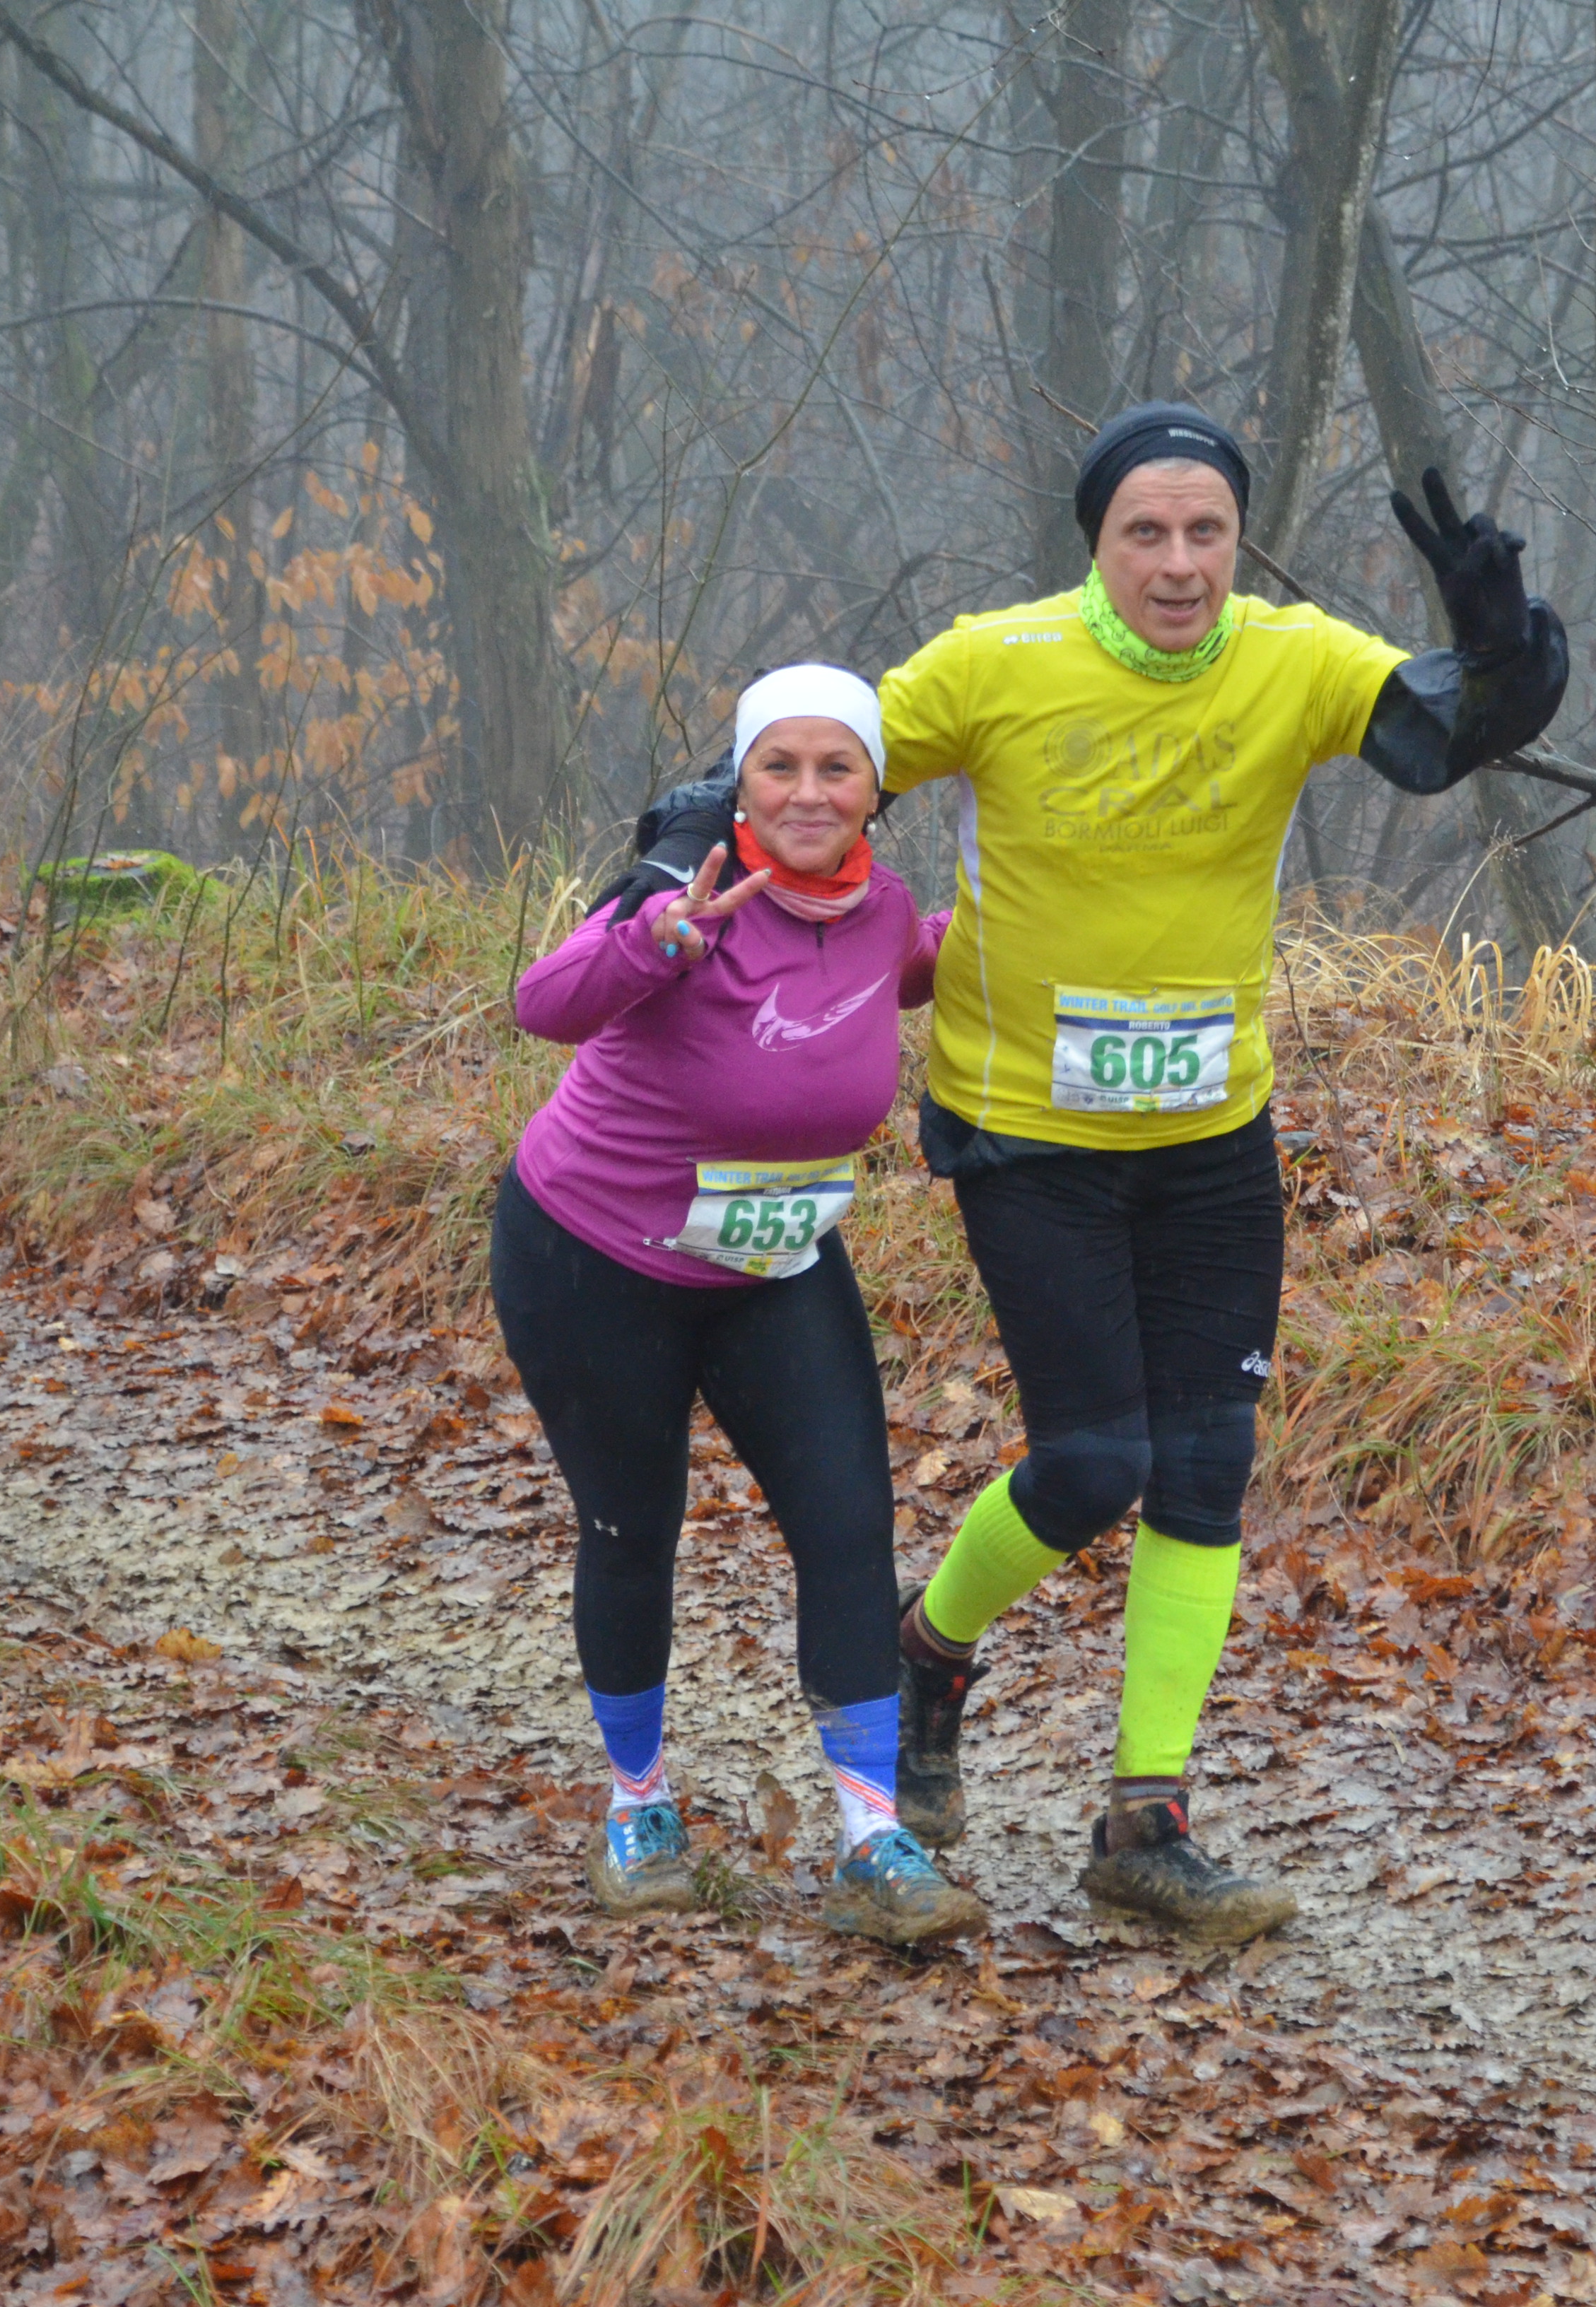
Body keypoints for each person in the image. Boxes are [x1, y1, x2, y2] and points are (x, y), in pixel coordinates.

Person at [864, 405, 1573, 1940]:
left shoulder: (1289, 658)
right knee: (1091, 1464)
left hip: (1210, 1138)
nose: (1179, 564)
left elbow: (1441, 736)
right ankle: (927, 1649)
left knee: (1205, 1464)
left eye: (1207, 533)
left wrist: (1505, 647)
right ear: (1098, 544)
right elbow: (816, 773)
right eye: (1147, 532)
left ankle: (1148, 1821)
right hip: (1025, 1132)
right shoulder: (993, 664)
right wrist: (686, 858)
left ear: (1240, 543)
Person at [494, 664, 983, 1947]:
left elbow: (917, 968)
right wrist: (653, 939)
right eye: (781, 767)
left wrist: (1036, 915)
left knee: (848, 1528)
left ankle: (871, 1840)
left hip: (777, 1263)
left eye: (838, 769)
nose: (809, 793)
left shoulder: (883, 912)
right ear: (742, 785)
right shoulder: (686, 895)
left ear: (874, 790)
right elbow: (542, 1004)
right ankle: (638, 1806)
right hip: (596, 1256)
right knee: (632, 1528)